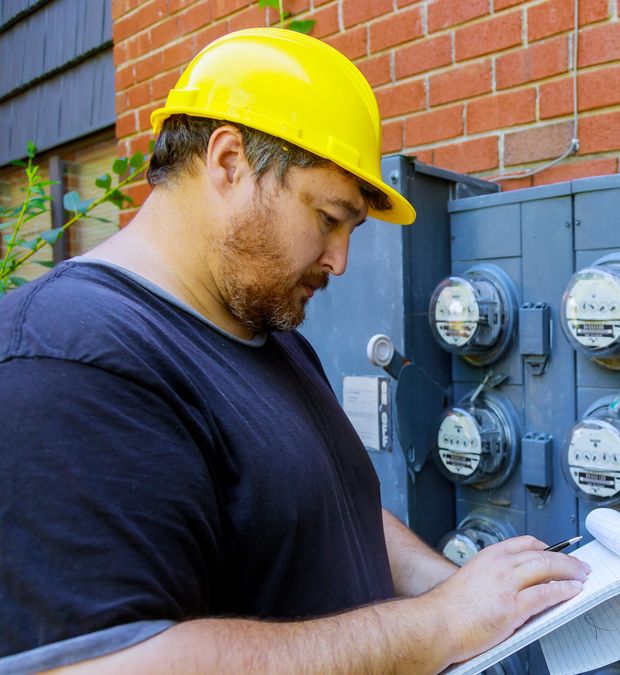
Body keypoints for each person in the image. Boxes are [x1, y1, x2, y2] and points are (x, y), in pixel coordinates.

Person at [0, 28, 588, 673]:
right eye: (328, 218)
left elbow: (326, 511)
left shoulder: (274, 340)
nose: (339, 260)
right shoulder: (64, 358)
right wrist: (441, 623)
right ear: (229, 162)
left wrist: (455, 589)